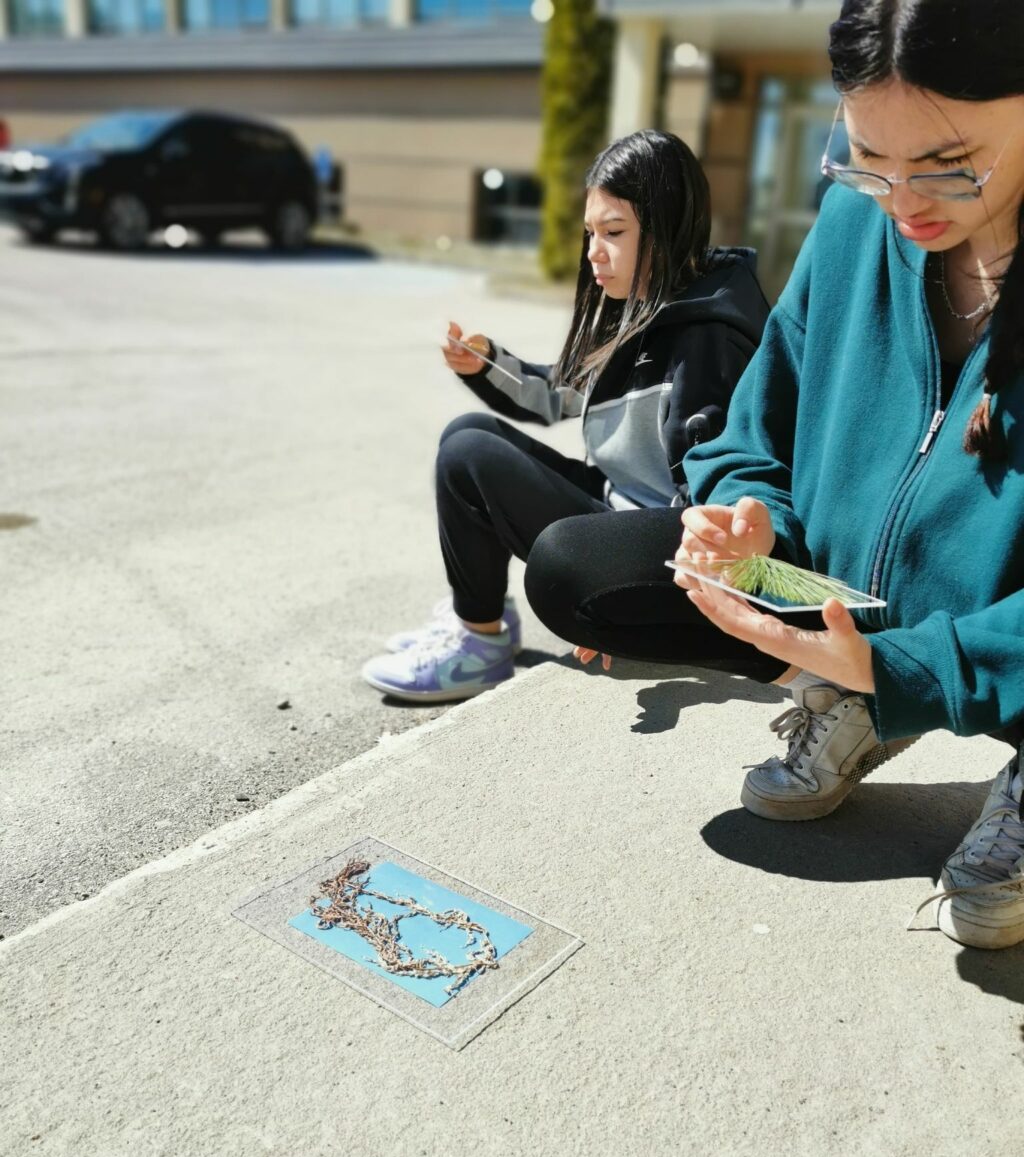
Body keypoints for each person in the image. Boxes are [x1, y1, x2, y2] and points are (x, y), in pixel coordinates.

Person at [659, 0, 1024, 951]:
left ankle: (913, 701)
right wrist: (749, 516)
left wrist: (905, 665)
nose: (903, 201)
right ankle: (862, 698)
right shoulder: (855, 224)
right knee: (585, 570)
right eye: (866, 158)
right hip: (847, 602)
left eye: (948, 163)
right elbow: (753, 422)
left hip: (990, 638)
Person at [361, 129, 770, 703]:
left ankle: (477, 648)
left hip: (661, 550)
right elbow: (556, 396)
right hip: (611, 510)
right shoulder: (636, 310)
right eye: (590, 234)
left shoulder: (709, 339)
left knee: (469, 452)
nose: (594, 252)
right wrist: (485, 364)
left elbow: (712, 501)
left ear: (669, 223)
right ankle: (476, 620)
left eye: (614, 232)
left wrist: (617, 594)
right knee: (469, 435)